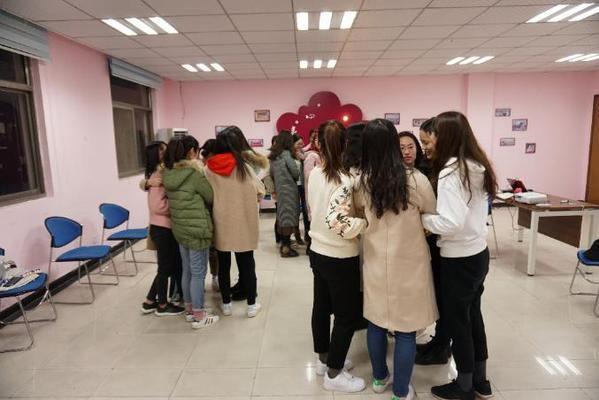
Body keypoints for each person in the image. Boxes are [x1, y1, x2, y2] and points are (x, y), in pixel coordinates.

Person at [330, 119, 438, 400]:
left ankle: (379, 379)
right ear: (393, 145)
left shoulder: (361, 183)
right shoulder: (415, 180)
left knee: (376, 321)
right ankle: (400, 392)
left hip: (376, 261)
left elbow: (354, 214)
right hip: (410, 264)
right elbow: (431, 213)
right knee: (406, 329)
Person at [422, 111, 497, 400]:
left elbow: (450, 223)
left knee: (458, 322)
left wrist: (424, 219)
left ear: (447, 137)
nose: (430, 142)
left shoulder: (451, 172)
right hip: (478, 253)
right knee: (474, 316)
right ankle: (480, 380)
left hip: (458, 258)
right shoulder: (477, 166)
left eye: (433, 136)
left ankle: (464, 386)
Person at [307, 120, 366, 393]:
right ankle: (334, 373)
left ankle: (324, 359)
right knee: (345, 315)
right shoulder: (343, 180)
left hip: (317, 250)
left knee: (321, 306)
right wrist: (364, 223)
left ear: (318, 144)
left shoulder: (315, 173)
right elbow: (338, 223)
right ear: (345, 144)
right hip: (340, 255)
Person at [205, 126, 265, 318]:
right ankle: (251, 305)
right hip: (244, 222)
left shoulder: (208, 168)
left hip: (221, 222)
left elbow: (207, 195)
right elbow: (260, 189)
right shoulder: (244, 167)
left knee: (223, 266)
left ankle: (226, 305)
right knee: (247, 264)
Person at [162, 135, 219, 329]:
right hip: (197, 229)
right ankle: (199, 316)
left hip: (180, 228)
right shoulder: (194, 174)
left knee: (187, 270)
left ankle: (190, 309)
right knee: (198, 273)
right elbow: (210, 196)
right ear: (191, 152)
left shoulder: (168, 174)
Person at [414, 118, 453, 366]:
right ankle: (439, 341)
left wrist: (423, 221)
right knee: (438, 293)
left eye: (426, 142)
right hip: (435, 241)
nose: (424, 148)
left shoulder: (449, 172)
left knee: (445, 297)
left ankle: (442, 345)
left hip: (445, 242)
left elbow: (447, 217)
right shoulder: (433, 166)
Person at [140, 141, 185, 316]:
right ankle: (162, 305)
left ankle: (150, 300)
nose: (167, 153)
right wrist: (177, 207)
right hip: (162, 228)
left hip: (163, 227)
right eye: (163, 151)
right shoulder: (158, 175)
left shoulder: (156, 173)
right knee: (165, 267)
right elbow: (158, 206)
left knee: (167, 266)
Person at [269, 130, 301, 257]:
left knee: (282, 216)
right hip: (290, 191)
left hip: (280, 191)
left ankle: (284, 244)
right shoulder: (286, 154)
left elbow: (271, 174)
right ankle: (286, 248)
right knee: (289, 217)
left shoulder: (274, 157)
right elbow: (295, 173)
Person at [200, 139, 220, 294]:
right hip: (205, 213)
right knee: (205, 250)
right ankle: (202, 280)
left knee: (214, 249)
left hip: (215, 212)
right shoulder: (201, 169)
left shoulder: (216, 167)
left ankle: (215, 276)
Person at [293, 133, 308, 245]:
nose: (301, 146)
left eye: (302, 144)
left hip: (303, 186)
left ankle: (307, 234)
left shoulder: (304, 154)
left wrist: (304, 158)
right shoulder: (288, 155)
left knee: (306, 210)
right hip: (293, 186)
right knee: (296, 211)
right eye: (298, 144)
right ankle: (297, 235)